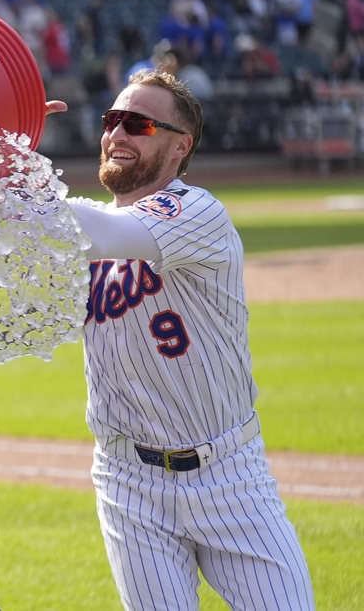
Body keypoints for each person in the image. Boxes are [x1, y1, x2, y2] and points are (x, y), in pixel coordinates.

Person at [65, 69, 314, 610]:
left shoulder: (197, 211)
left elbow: (96, 233)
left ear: (181, 146)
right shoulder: (90, 228)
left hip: (229, 476)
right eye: (112, 120)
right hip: (128, 480)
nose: (117, 134)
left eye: (138, 124)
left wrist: (6, 167)